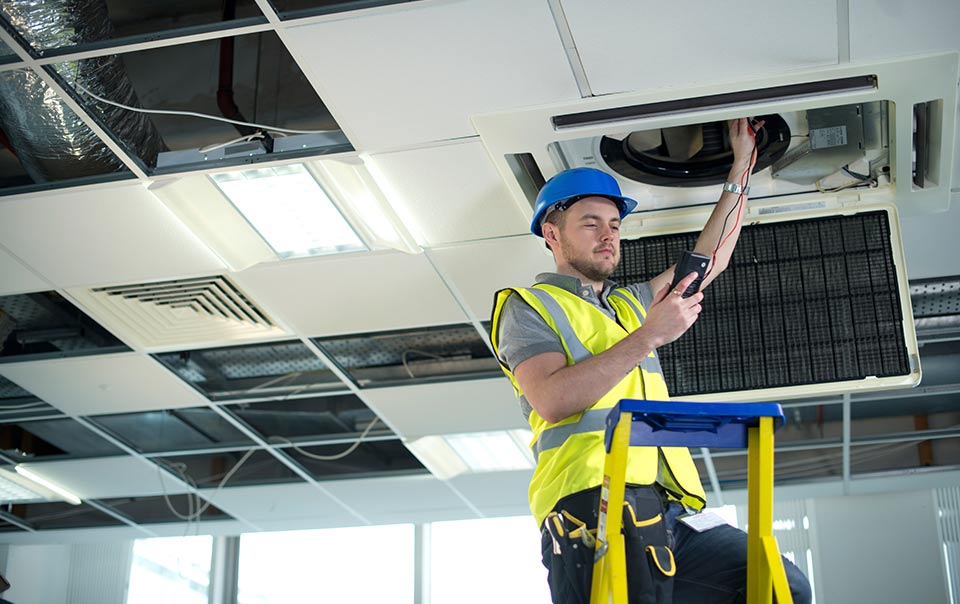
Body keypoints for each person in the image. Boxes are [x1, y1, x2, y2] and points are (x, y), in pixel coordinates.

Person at [490, 118, 812, 603]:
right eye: (591, 224)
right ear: (552, 235)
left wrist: (742, 164)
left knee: (777, 584)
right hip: (591, 502)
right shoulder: (527, 306)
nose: (608, 236)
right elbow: (553, 400)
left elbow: (711, 259)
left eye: (615, 226)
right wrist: (648, 336)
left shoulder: (626, 305)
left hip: (667, 506)